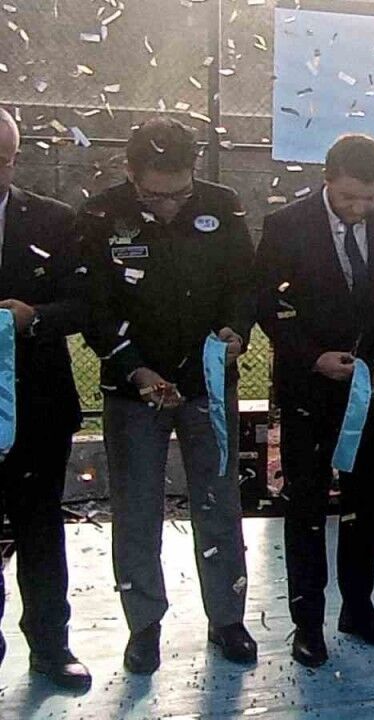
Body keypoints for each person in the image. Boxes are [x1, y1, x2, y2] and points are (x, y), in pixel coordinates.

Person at [80, 117, 257, 673]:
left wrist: (236, 332)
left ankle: (227, 618)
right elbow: (94, 306)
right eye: (155, 197)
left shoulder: (223, 205)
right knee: (136, 509)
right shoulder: (100, 215)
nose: (169, 207)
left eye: (180, 193)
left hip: (208, 385)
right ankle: (144, 625)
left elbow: (244, 284)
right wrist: (135, 370)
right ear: (131, 175)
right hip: (134, 389)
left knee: (218, 502)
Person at [255, 134, 374, 666]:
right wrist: (312, 357)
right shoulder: (286, 225)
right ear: (327, 179)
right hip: (309, 388)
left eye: (370, 198)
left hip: (369, 389)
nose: (359, 209)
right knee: (306, 505)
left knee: (365, 503)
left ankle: (359, 608)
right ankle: (308, 622)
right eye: (349, 197)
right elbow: (269, 306)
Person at [0, 108, 92, 689]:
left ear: (15, 158)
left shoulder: (55, 221)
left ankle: (50, 645)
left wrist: (33, 318)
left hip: (37, 407)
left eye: (2, 161)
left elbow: (84, 305)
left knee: (40, 526)